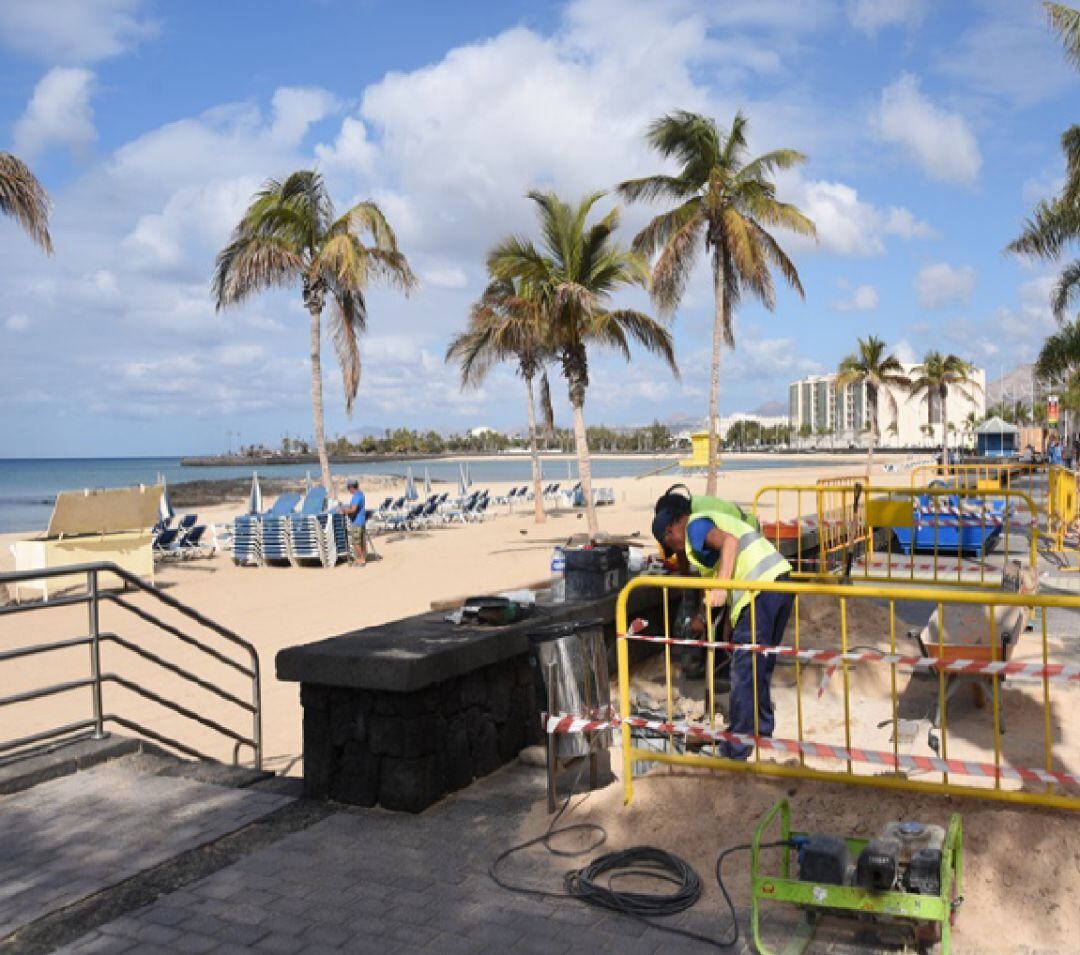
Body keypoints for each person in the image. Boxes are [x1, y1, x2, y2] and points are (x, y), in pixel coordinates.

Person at [652, 489, 793, 760]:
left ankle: (736, 748)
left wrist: (720, 587)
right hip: (777, 583)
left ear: (671, 530)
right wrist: (728, 617)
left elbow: (730, 544)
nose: (675, 549)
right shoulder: (704, 526)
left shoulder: (695, 526)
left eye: (670, 543)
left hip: (760, 590)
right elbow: (728, 559)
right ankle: (761, 732)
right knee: (759, 665)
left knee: (743, 670)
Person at [339, 479, 367, 566]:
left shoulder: (356, 496)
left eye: (348, 488)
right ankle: (363, 558)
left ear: (351, 487)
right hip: (361, 521)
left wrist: (344, 511)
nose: (348, 490)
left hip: (357, 522)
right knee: (361, 541)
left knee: (356, 542)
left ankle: (361, 560)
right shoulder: (361, 494)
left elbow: (353, 509)